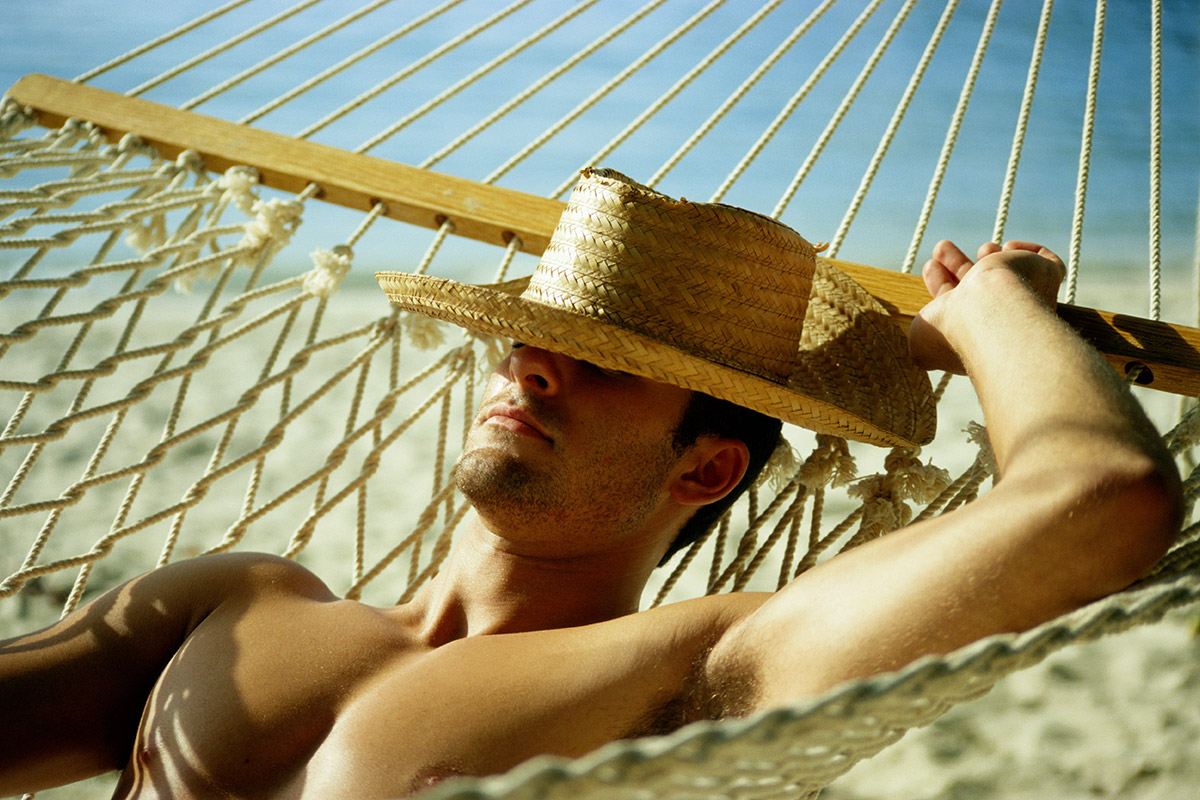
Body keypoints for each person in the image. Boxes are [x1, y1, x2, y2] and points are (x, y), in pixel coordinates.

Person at [0, 169, 1180, 799]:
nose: (536, 363)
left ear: (708, 466)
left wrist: (993, 317)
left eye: (611, 363)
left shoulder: (699, 670)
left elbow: (1101, 494)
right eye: (533, 339)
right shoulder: (237, 599)